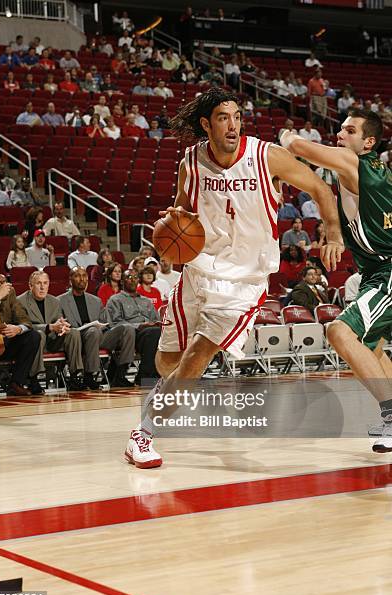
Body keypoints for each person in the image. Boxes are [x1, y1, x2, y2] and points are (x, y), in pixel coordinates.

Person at [124, 87, 343, 468]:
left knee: (197, 357)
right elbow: (183, 208)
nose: (233, 125)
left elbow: (320, 187)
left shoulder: (266, 156)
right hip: (199, 269)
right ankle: (169, 393)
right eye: (224, 118)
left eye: (238, 117)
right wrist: (171, 226)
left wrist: (333, 233)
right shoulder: (191, 162)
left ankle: (142, 434)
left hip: (243, 280)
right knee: (167, 363)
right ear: (206, 124)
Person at [280, 108, 392, 452]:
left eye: (349, 130)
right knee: (369, 345)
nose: (341, 135)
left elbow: (300, 147)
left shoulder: (352, 161)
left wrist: (285, 137)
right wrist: (334, 235)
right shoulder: (377, 171)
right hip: (374, 271)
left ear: (367, 142)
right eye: (341, 129)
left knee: (339, 331)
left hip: (387, 272)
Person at [59, 267, 135, 389]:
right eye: (77, 276)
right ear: (70, 280)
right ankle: (90, 375)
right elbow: (62, 324)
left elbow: (106, 323)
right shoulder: (60, 300)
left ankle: (120, 373)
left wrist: (102, 326)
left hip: (98, 335)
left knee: (127, 329)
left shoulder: (96, 300)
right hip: (77, 338)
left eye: (84, 276)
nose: (82, 279)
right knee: (93, 331)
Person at [18, 271, 85, 391]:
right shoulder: (20, 301)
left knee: (73, 332)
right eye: (38, 283)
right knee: (38, 335)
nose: (42, 287)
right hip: (33, 343)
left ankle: (75, 376)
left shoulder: (55, 301)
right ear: (30, 286)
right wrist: (49, 327)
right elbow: (24, 326)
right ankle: (34, 379)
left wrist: (62, 326)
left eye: (45, 283)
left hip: (53, 340)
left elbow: (58, 320)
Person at [0, 257, 41, 399]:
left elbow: (25, 319)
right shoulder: (1, 293)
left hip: (6, 343)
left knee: (33, 336)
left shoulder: (9, 292)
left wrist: (18, 329)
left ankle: (16, 383)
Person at [107, 269, 161, 386]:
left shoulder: (146, 301)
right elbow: (115, 324)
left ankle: (154, 373)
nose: (133, 280)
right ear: (122, 281)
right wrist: (140, 325)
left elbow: (156, 319)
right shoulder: (115, 300)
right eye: (129, 277)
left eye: (135, 278)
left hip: (149, 333)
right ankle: (145, 375)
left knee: (159, 331)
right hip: (129, 334)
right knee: (153, 333)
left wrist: (159, 323)